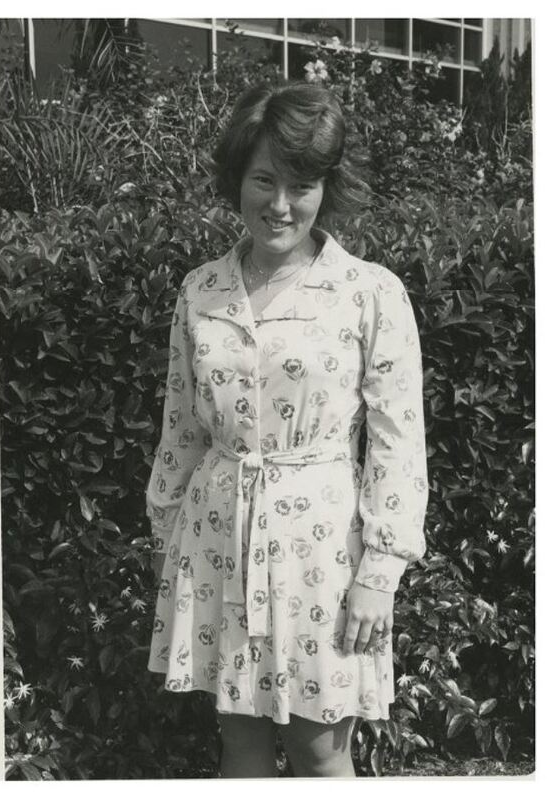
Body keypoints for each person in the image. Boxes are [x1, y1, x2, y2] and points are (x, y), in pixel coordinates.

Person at [145, 82, 428, 778]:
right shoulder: (201, 291)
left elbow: (398, 441)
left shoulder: (370, 292)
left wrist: (379, 575)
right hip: (217, 541)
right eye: (264, 180)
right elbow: (181, 427)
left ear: (327, 188)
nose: (279, 204)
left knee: (321, 749)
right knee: (237, 743)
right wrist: (164, 538)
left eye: (301, 184)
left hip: (323, 556)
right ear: (236, 179)